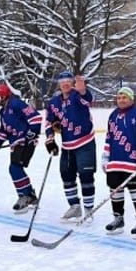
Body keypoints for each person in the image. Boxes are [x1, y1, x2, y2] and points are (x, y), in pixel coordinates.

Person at [101, 86, 136, 239]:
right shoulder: (113, 115)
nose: (121, 100)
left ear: (131, 98)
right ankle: (118, 219)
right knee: (114, 190)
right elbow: (109, 137)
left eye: (124, 97)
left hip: (133, 161)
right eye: (119, 97)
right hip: (115, 160)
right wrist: (106, 155)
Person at [44, 71, 96, 223]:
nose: (65, 83)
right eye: (62, 81)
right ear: (59, 84)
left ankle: (88, 209)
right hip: (67, 144)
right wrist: (50, 139)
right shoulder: (54, 102)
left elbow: (88, 100)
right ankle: (75, 207)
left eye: (68, 80)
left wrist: (83, 91)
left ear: (73, 82)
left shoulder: (78, 95)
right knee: (66, 175)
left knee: (86, 175)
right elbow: (49, 122)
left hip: (85, 141)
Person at [0, 83, 42, 214]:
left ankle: (25, 196)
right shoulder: (3, 111)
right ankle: (29, 195)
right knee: (16, 168)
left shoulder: (16, 104)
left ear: (4, 96)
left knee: (14, 168)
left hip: (26, 141)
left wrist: (32, 133)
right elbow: (4, 130)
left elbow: (36, 117)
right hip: (16, 142)